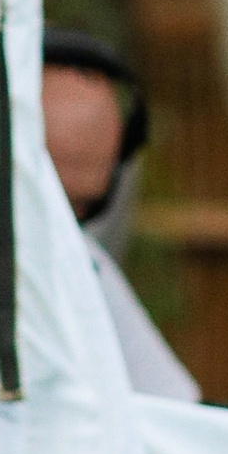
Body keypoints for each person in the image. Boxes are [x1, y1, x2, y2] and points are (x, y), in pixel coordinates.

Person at [40, 26, 198, 403]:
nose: (68, 225)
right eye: (55, 198)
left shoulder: (85, 262)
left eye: (82, 206)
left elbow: (172, 404)